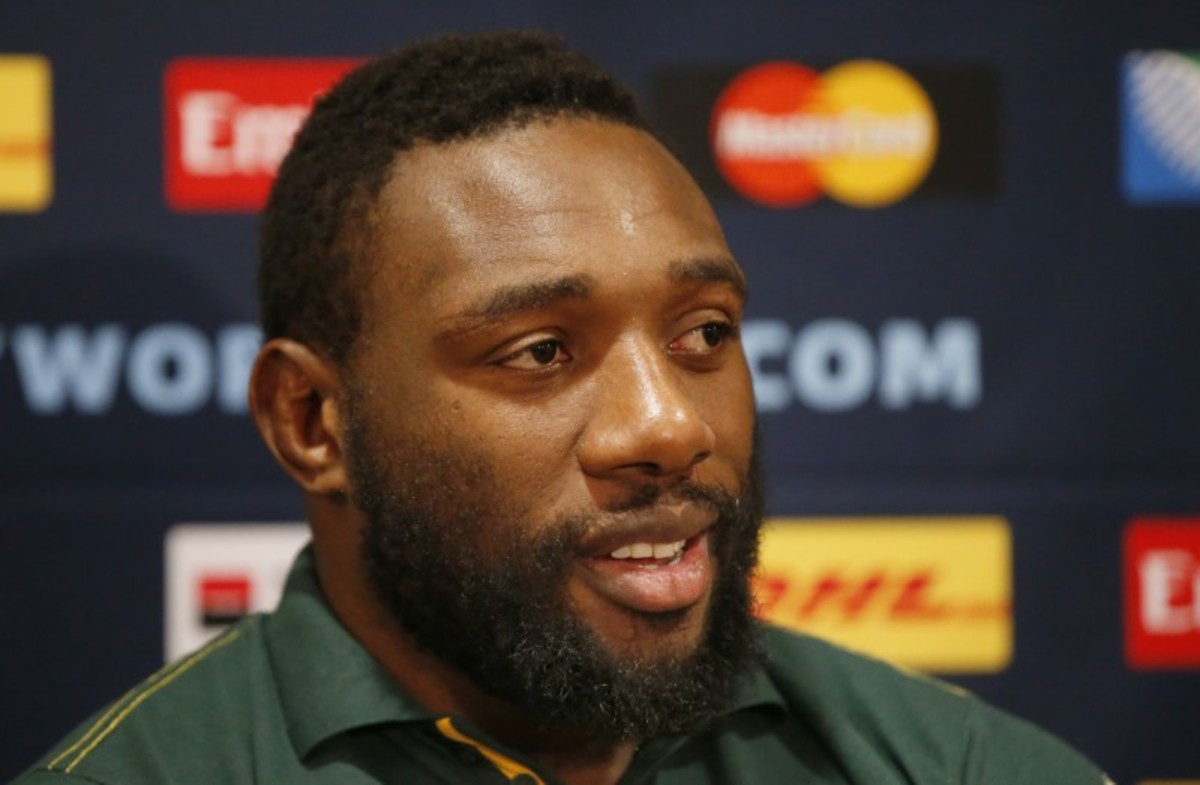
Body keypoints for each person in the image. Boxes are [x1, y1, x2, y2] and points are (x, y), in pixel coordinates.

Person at [14, 31, 1110, 785]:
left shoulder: (948, 764)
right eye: (541, 351)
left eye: (704, 334)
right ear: (311, 419)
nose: (669, 425)